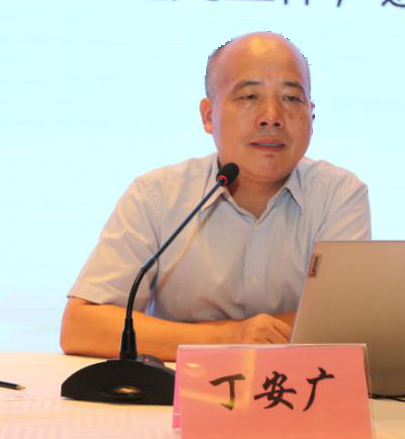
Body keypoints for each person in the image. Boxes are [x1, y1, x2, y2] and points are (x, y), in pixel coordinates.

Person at [60, 32, 370, 360]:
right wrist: (228, 337)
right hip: (179, 391)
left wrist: (192, 336)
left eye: (291, 98)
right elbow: (81, 326)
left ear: (312, 114)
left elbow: (347, 324)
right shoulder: (156, 196)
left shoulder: (338, 196)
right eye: (249, 96)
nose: (272, 116)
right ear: (209, 115)